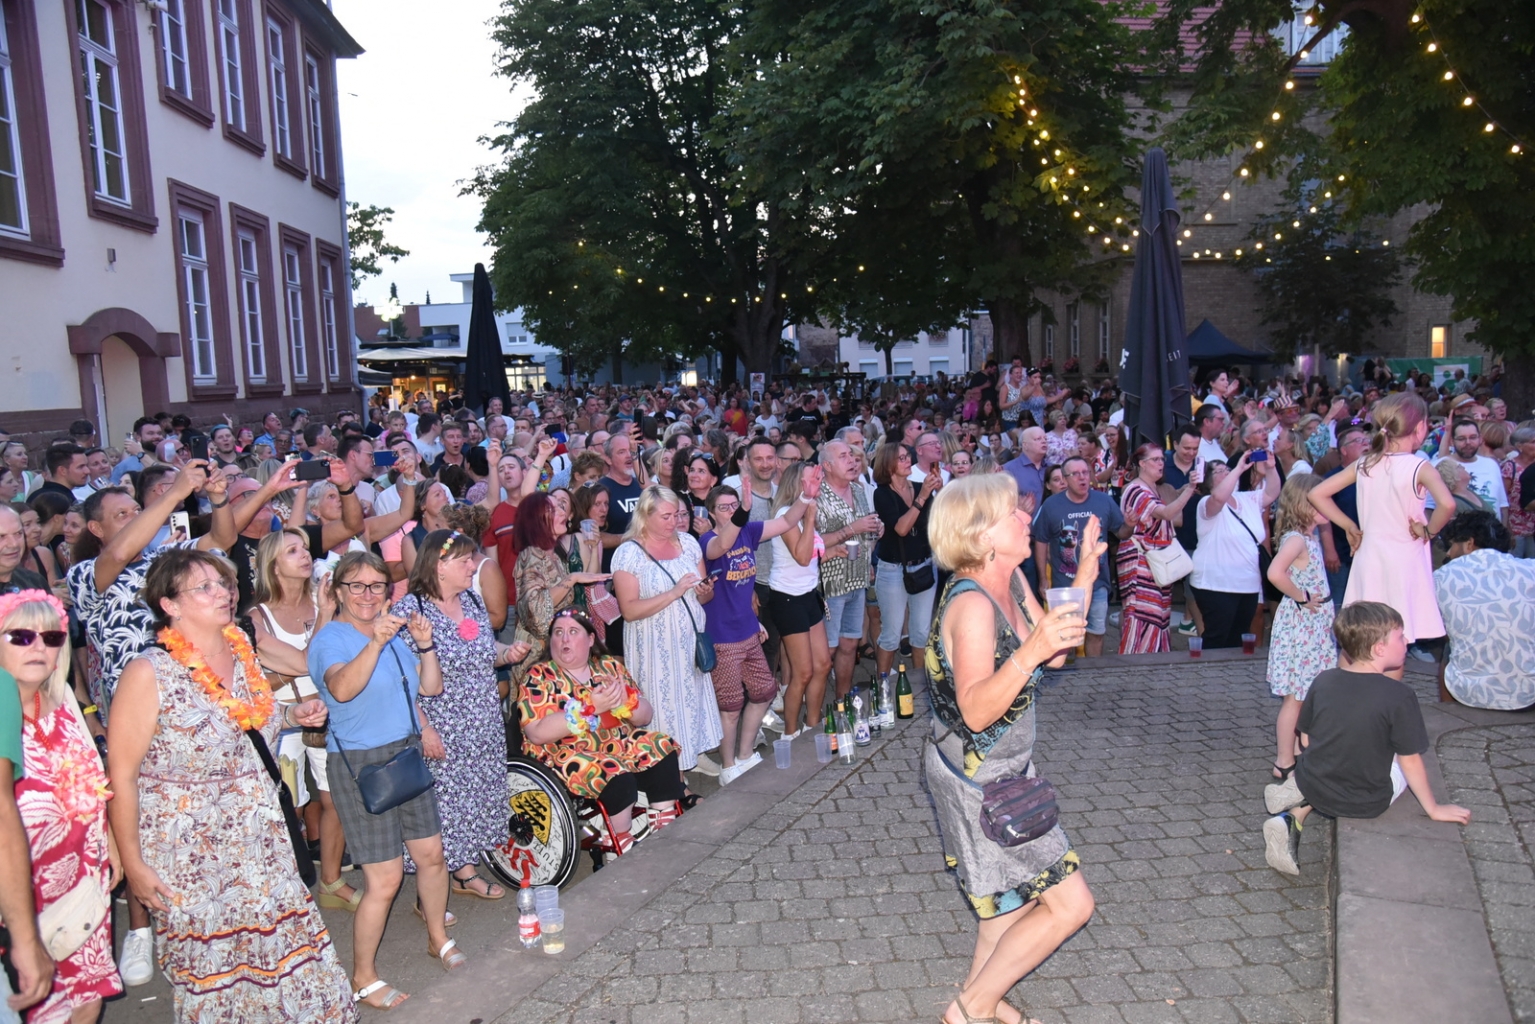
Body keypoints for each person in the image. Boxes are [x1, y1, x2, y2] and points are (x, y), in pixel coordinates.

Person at [106, 550, 355, 1021]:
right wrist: (134, 864)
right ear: (169, 604)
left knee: (288, 952)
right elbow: (120, 775)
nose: (223, 592)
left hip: (260, 836)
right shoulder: (149, 672)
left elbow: (249, 723)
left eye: (224, 583)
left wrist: (291, 715)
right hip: (191, 849)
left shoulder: (241, 644)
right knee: (216, 970)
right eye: (205, 587)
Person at [922, 474, 1097, 1024]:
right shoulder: (971, 607)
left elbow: (1058, 652)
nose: (1027, 517)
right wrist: (1031, 652)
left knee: (1001, 909)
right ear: (981, 537)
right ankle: (972, 1007)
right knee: (1072, 905)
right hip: (978, 781)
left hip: (1006, 771)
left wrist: (1086, 571)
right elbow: (975, 709)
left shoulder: (1011, 576)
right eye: (1013, 514)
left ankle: (979, 1004)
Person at [307, 552, 460, 1008]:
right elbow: (341, 689)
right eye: (357, 586)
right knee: (386, 878)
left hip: (405, 755)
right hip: (360, 764)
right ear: (338, 591)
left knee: (432, 856)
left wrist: (425, 644)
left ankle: (438, 938)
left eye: (378, 586)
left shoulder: (393, 635)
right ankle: (363, 976)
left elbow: (429, 689)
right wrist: (374, 642)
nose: (369, 595)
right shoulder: (330, 640)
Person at [1261, 602, 1471, 876]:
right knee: (1401, 754)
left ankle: (1295, 809)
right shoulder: (1399, 696)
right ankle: (1295, 802)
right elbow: (1410, 761)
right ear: (1378, 649)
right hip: (1366, 801)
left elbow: (1305, 741)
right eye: (1400, 635)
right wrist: (1433, 808)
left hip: (1314, 780)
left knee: (1339, 745)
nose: (1406, 640)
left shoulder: (1323, 680)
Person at [392, 531, 530, 902]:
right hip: (442, 727)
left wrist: (507, 653)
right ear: (439, 565)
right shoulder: (409, 612)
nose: (474, 566)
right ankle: (432, 891)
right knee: (443, 807)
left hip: (481, 722)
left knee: (474, 800)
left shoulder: (469, 600)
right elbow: (398, 679)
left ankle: (463, 871)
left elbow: (483, 649)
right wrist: (424, 729)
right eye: (466, 560)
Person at [4, 590, 121, 1023]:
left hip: (83, 878)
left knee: (87, 997)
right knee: (39, 1007)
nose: (39, 647)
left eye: (51, 637)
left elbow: (93, 780)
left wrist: (109, 844)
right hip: (22, 892)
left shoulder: (65, 702)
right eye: (20, 636)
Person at [249, 528, 356, 913]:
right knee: (286, 808)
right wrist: (326, 615)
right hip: (282, 723)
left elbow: (339, 654)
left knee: (336, 800)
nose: (305, 555)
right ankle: (282, 889)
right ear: (273, 566)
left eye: (305, 549)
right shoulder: (256, 618)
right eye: (292, 551)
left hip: (328, 715)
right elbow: (308, 662)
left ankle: (331, 880)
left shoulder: (322, 601)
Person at [519, 609, 683, 856]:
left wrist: (626, 704)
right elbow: (537, 734)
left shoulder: (608, 666)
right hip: (563, 753)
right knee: (614, 772)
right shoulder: (538, 676)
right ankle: (617, 839)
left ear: (591, 639)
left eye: (573, 632)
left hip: (615, 744)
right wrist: (590, 708)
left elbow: (645, 716)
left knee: (661, 745)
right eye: (558, 633)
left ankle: (662, 823)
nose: (564, 639)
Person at [1309, 393, 1455, 646]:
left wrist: (1348, 525)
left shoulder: (1365, 464)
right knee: (1397, 636)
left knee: (1365, 635)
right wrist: (1429, 531)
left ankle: (1358, 682)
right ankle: (1387, 685)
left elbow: (1316, 493)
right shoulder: (1419, 466)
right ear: (1420, 428)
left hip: (1370, 557)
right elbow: (1447, 503)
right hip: (1403, 559)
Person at [611, 486, 722, 783]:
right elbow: (629, 610)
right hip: (654, 646)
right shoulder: (628, 553)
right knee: (662, 705)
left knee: (691, 699)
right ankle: (668, 772)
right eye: (666, 516)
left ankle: (693, 754)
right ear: (645, 516)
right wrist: (674, 593)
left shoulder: (688, 543)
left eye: (678, 514)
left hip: (689, 639)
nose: (675, 522)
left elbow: (702, 598)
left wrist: (705, 592)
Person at [699, 483, 807, 782]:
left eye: (735, 505)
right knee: (730, 707)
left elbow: (786, 521)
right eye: (724, 507)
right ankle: (728, 765)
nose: (732, 511)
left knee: (763, 693)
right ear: (710, 514)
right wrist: (744, 511)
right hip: (722, 637)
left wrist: (806, 495)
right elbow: (720, 547)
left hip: (748, 631)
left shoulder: (749, 532)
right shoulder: (707, 540)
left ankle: (745, 754)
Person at [1264, 475, 1336, 781]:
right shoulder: (1297, 540)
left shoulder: (1311, 538)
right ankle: (1284, 759)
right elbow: (1275, 573)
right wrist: (1301, 596)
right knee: (1296, 696)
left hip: (1314, 625)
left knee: (1302, 694)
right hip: (1303, 627)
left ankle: (1293, 749)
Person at [1433, 511, 1535, 711]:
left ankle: (1448, 714)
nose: (1448, 553)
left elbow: (1439, 630)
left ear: (1469, 543)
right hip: (1529, 693)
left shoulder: (1441, 576)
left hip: (1468, 693)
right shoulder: (1530, 569)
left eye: (1452, 545)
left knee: (1450, 645)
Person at [1031, 457, 1129, 658]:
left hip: (1098, 583)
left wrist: (1131, 525)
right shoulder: (1051, 505)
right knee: (1065, 636)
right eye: (1075, 474)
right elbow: (1040, 541)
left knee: (1096, 632)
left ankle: (1093, 676)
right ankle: (1065, 678)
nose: (1082, 478)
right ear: (1065, 479)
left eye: (1085, 472)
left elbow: (1121, 533)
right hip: (1065, 584)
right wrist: (1043, 578)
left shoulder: (1103, 501)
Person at [512, 494, 609, 681]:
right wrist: (572, 578)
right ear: (536, 520)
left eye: (561, 507)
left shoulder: (552, 555)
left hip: (554, 656)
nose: (562, 512)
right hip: (537, 664)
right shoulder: (532, 555)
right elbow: (536, 612)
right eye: (553, 510)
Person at [1188, 451, 1279, 649]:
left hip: (1247, 583)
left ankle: (1229, 676)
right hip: (1215, 583)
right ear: (1208, 480)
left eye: (1227, 469)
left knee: (1238, 637)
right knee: (1217, 636)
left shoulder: (1247, 499)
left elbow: (1272, 492)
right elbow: (1219, 499)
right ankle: (1207, 675)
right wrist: (1239, 468)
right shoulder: (1206, 503)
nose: (1227, 472)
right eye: (1220, 471)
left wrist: (1271, 468)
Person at [1116, 445, 1197, 654]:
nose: (1161, 463)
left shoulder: (1150, 487)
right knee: (1142, 613)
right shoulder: (1137, 489)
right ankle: (1136, 661)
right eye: (1155, 460)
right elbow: (1167, 513)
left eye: (1162, 459)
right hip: (1140, 560)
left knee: (1159, 613)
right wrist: (1189, 490)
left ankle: (1154, 660)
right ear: (1142, 464)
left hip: (1156, 559)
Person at [872, 442, 940, 676]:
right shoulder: (882, 494)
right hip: (893, 570)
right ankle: (882, 685)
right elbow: (901, 528)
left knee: (921, 633)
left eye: (907, 457)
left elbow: (934, 524)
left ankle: (920, 686)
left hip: (923, 566)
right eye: (901, 458)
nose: (907, 461)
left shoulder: (921, 487)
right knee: (891, 634)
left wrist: (936, 493)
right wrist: (921, 497)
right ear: (888, 463)